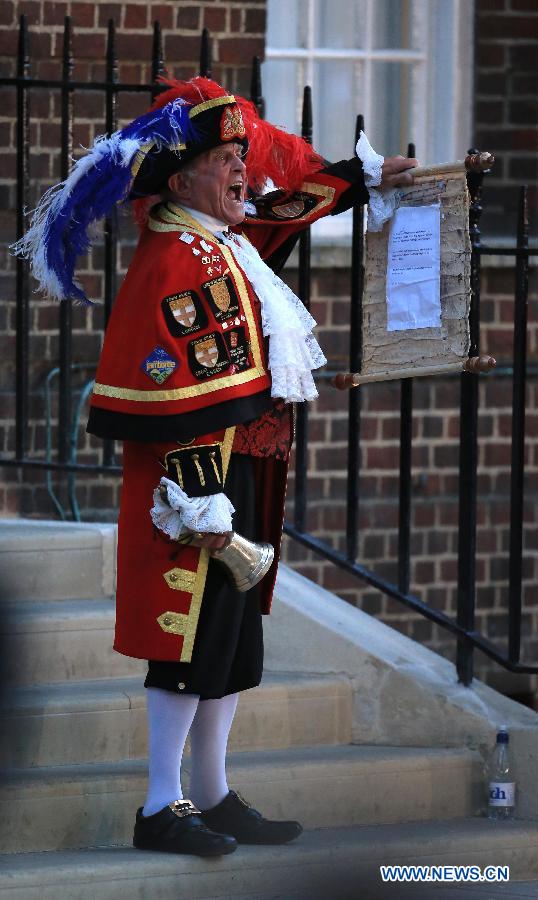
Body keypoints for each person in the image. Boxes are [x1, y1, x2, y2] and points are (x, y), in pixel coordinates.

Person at [13, 76, 417, 856]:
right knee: (187, 641)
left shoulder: (227, 236)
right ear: (180, 177)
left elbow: (286, 210)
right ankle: (162, 806)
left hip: (251, 455)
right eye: (225, 156)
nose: (243, 168)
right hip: (193, 478)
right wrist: (198, 493)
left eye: (241, 152)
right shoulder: (172, 251)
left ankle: (216, 791)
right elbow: (154, 376)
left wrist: (362, 179)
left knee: (232, 642)